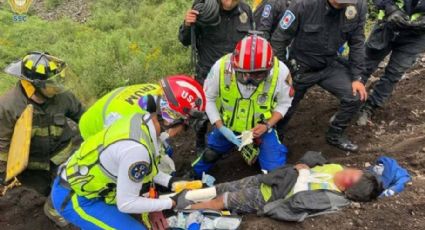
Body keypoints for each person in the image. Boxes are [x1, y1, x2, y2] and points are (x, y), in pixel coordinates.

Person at [49, 110, 204, 228]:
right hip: (76, 198)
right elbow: (126, 203)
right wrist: (171, 203)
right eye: (183, 128)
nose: (180, 134)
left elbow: (148, 171)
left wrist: (171, 181)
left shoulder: (141, 121)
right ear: (172, 120)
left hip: (89, 186)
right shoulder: (137, 150)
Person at [190, 35, 293, 179]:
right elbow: (208, 98)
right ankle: (190, 177)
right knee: (210, 155)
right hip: (227, 127)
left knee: (275, 172)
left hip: (261, 130)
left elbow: (284, 103)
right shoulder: (221, 67)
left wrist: (267, 125)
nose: (249, 80)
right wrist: (220, 127)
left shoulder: (281, 73)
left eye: (257, 75)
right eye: (244, 74)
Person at [271, 0, 368, 151]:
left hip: (329, 64)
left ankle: (335, 134)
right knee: (284, 108)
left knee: (355, 96)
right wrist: (284, 71)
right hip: (300, 67)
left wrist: (357, 77)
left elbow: (357, 43)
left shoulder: (358, 7)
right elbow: (279, 39)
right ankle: (275, 137)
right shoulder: (303, 5)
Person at [184, 151, 384, 222]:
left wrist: (303, 175)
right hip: (274, 178)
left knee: (222, 201)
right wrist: (304, 165)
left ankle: (182, 209)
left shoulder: (332, 196)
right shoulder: (337, 168)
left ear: (348, 184)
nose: (348, 169)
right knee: (225, 186)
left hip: (268, 196)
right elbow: (313, 160)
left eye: (352, 173)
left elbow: (297, 201)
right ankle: (188, 196)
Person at [0, 52, 84, 195]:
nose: (58, 87)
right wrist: (3, 176)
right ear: (35, 85)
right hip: (31, 173)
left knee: (70, 197)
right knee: (39, 205)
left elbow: (84, 118)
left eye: (58, 80)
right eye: (52, 83)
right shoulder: (8, 106)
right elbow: (2, 146)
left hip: (64, 161)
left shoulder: (63, 97)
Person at [178, 0, 254, 151]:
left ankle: (229, 138)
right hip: (207, 73)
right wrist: (187, 25)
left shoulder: (245, 10)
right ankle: (200, 142)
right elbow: (185, 40)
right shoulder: (205, 9)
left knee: (232, 107)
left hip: (234, 74)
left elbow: (250, 40)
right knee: (201, 114)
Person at [78, 75, 206, 142]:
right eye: (182, 127)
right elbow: (119, 149)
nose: (180, 133)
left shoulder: (160, 92)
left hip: (112, 106)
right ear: (170, 117)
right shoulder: (133, 123)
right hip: (94, 127)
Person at [357, 0, 425, 125]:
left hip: (416, 37)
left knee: (394, 73)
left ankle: (370, 107)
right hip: (388, 26)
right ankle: (349, 103)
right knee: (365, 65)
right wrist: (390, 7)